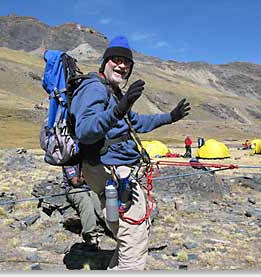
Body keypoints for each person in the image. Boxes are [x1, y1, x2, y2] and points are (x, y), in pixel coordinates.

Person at [69, 35, 191, 270]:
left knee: (134, 234)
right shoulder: (94, 87)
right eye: (116, 59)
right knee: (133, 236)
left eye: (127, 62)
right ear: (104, 62)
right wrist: (119, 108)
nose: (122, 65)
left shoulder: (113, 93)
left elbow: (137, 123)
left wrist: (170, 117)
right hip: (109, 171)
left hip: (120, 172)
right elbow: (85, 130)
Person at [62, 165, 106, 248]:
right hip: (74, 190)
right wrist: (88, 175)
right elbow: (76, 182)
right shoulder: (69, 161)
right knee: (86, 202)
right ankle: (90, 237)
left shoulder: (90, 158)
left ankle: (116, 231)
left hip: (91, 187)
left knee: (100, 207)